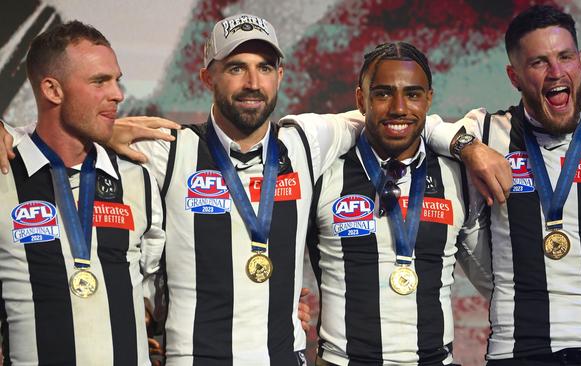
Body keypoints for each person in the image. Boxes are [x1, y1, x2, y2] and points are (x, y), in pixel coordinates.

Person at [0, 14, 512, 365]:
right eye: (236, 67)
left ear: (280, 76)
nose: (253, 82)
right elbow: (59, 137)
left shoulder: (306, 142)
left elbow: (392, 115)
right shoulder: (167, 151)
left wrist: (465, 143)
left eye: (265, 68)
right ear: (207, 75)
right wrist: (11, 132)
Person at [459, 5, 581, 365]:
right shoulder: (486, 133)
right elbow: (419, 126)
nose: (556, 72)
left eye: (565, 57)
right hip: (517, 353)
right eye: (539, 62)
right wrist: (468, 149)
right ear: (514, 76)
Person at [307, 42, 490, 365]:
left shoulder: (457, 175)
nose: (399, 108)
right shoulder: (323, 171)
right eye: (382, 94)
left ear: (429, 99)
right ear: (361, 100)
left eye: (413, 94)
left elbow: (493, 278)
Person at [0, 20, 165, 365]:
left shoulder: (137, 177)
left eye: (116, 80)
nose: (118, 94)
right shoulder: (4, 177)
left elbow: (156, 286)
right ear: (53, 90)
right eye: (99, 81)